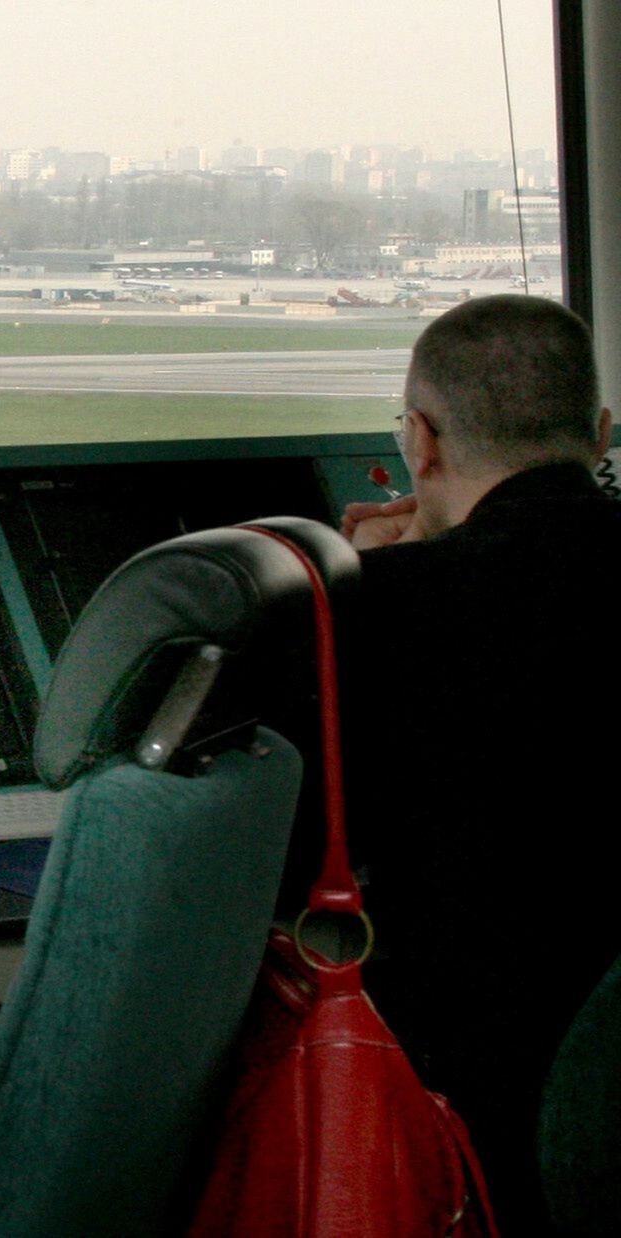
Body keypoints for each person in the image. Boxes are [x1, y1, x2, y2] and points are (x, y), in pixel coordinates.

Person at [338, 294, 619, 1232]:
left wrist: (355, 589)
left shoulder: (382, 608)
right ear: (603, 434)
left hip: (471, 1121)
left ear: (419, 442)